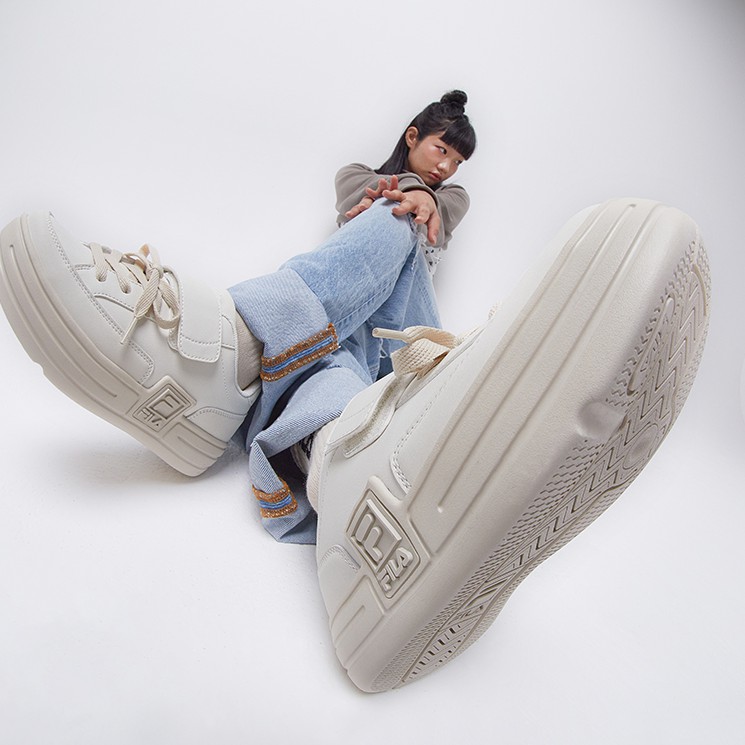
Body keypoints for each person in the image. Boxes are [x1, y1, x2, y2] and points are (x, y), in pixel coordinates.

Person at [0, 93, 711, 692]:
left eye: (456, 162)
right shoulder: (360, 178)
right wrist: (390, 199)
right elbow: (357, 196)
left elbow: (436, 210)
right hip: (348, 352)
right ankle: (352, 464)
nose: (446, 167)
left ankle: (237, 351)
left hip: (390, 337)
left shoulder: (444, 198)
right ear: (414, 135)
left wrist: (418, 200)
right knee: (340, 357)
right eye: (440, 151)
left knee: (396, 232)